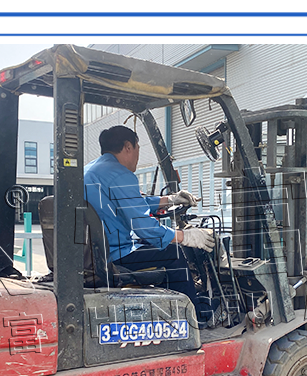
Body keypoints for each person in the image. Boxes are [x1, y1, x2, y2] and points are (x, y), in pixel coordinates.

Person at [84, 125, 215, 321]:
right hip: (114, 255)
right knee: (174, 254)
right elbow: (144, 228)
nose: (138, 155)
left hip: (93, 255)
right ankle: (193, 318)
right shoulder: (120, 174)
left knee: (156, 247)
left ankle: (168, 309)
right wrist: (185, 236)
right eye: (138, 148)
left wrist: (170, 199)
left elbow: (131, 202)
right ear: (128, 146)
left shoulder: (92, 170)